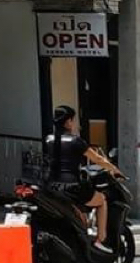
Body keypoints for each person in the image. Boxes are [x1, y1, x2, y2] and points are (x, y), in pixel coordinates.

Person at [46, 105, 112, 253]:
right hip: (72, 187)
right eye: (74, 120)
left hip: (52, 186)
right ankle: (100, 239)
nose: (75, 124)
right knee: (101, 200)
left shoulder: (49, 140)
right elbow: (98, 159)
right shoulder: (76, 141)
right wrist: (114, 170)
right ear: (68, 121)